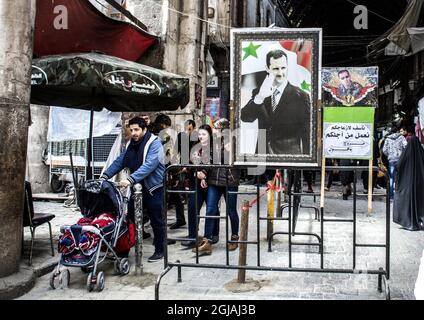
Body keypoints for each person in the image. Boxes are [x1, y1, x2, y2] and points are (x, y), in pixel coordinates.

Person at [100, 116, 166, 262]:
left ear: (144, 129)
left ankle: (160, 250)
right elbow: (120, 161)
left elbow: (150, 165)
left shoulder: (155, 143)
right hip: (136, 188)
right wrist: (105, 176)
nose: (134, 133)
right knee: (129, 219)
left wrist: (130, 179)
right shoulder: (132, 144)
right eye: (132, 130)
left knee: (157, 220)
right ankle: (124, 251)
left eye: (137, 130)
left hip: (153, 188)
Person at [240, 49, 311, 155]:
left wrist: (306, 162)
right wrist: (260, 97)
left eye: (283, 68)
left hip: (288, 158)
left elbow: (306, 133)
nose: (280, 73)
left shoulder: (301, 96)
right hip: (262, 157)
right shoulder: (260, 92)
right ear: (267, 69)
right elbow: (245, 117)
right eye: (276, 69)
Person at [194, 118, 241, 255]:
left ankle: (234, 238)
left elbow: (242, 161)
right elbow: (208, 160)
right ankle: (207, 241)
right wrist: (203, 172)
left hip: (230, 181)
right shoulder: (213, 143)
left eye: (215, 128)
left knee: (231, 210)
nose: (213, 130)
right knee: (210, 209)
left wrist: (232, 151)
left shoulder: (235, 142)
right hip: (214, 180)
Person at [181, 124, 214, 248]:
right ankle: (192, 236)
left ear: (209, 135)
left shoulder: (213, 148)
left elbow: (214, 164)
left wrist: (204, 174)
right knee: (192, 207)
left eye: (204, 134)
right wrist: (196, 173)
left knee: (212, 209)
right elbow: (189, 164)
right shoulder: (195, 148)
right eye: (199, 134)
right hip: (196, 182)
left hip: (211, 183)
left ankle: (211, 236)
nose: (201, 136)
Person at [382, 126, 407, 199]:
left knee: (392, 177)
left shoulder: (387, 139)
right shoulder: (402, 137)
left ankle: (391, 195)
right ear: (397, 131)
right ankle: (400, 194)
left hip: (391, 160)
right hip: (400, 160)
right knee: (400, 177)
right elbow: (406, 147)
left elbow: (384, 150)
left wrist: (389, 155)